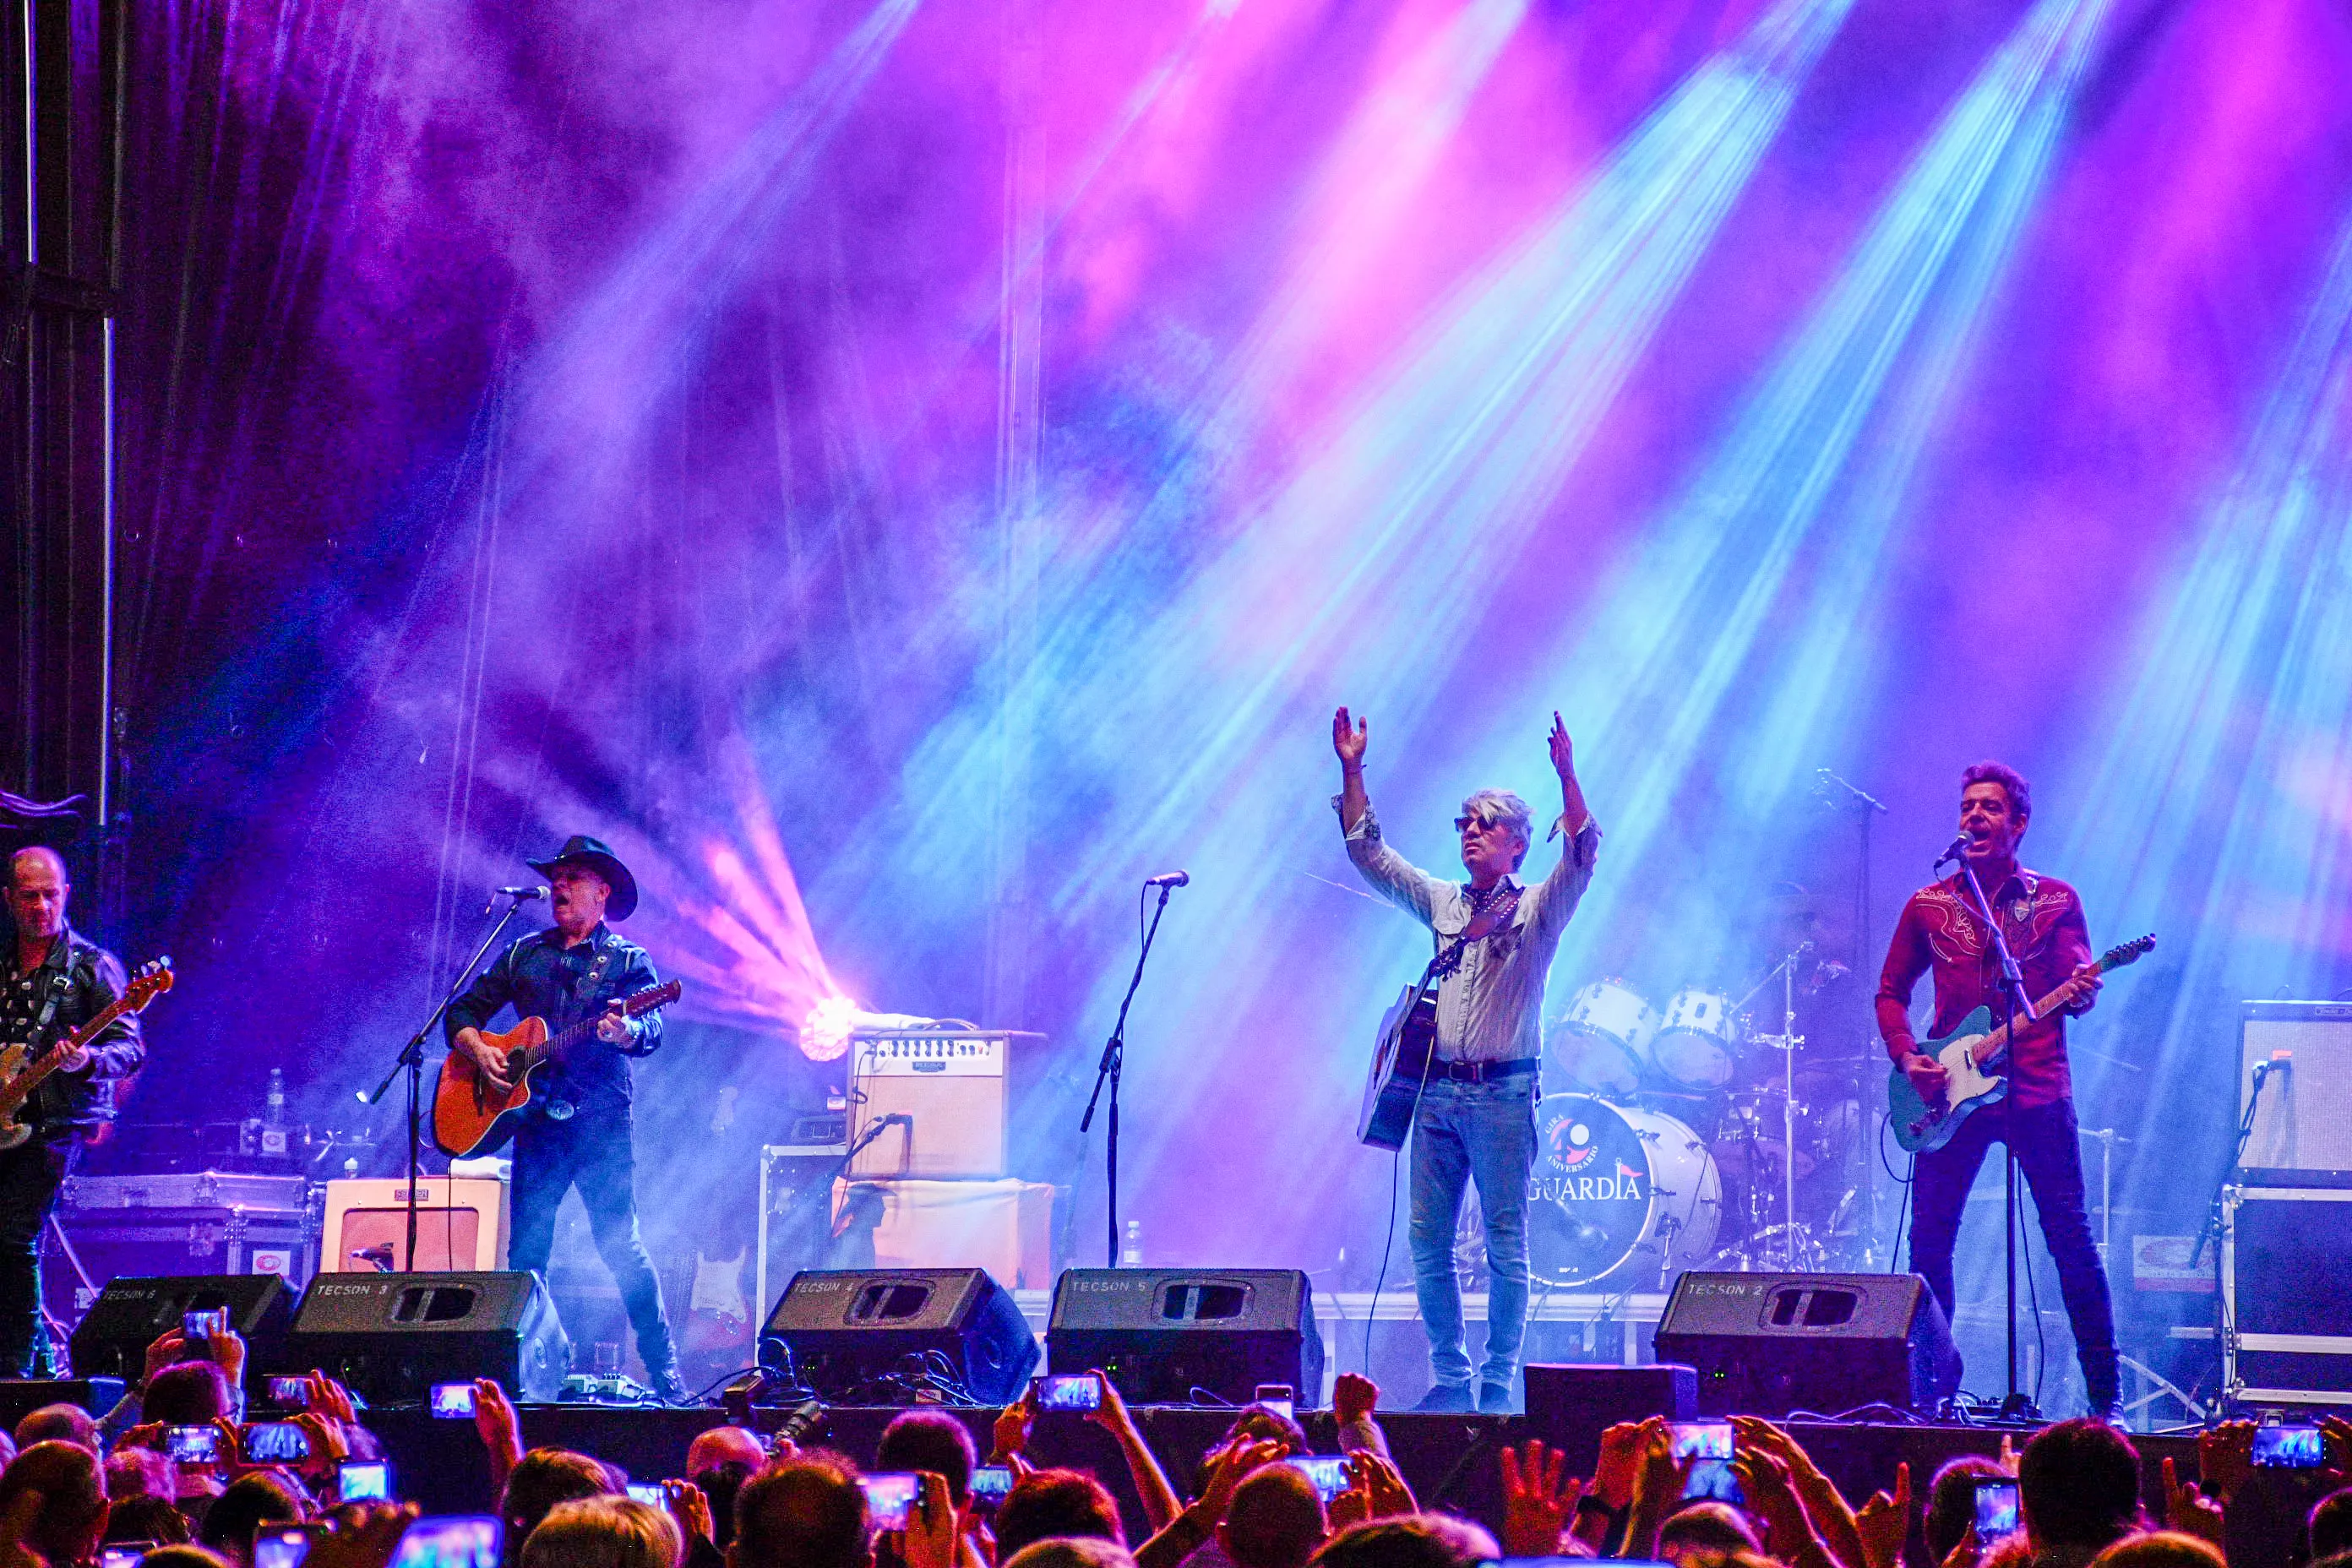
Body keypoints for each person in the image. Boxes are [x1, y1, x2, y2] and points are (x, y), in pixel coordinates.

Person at [1332, 707, 1599, 1413]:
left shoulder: (1540, 906)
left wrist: (1568, 774)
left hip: (1505, 1096)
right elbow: (1370, 855)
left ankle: (1497, 1382)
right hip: (1436, 1094)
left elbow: (1580, 853)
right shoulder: (1445, 903)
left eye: (1484, 823)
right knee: (1428, 1244)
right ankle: (1450, 1379)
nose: (1469, 832)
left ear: (1516, 843)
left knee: (1507, 1243)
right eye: (1463, 823)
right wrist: (1354, 768)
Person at [1877, 763, 2120, 1416]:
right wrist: (1907, 1057)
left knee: (2069, 1238)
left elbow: (2077, 977)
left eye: (1989, 807)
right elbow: (1891, 992)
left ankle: (2107, 1403)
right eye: (1966, 806)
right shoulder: (1928, 905)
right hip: (1947, 1094)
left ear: (2019, 823)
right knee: (1930, 1240)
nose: (1974, 816)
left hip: (2038, 1089)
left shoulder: (2056, 899)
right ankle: (1930, 1399)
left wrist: (2082, 991)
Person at [447, 835, 684, 1402]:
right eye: (556, 876)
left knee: (619, 1244)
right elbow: (462, 1010)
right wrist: (481, 1051)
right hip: (534, 1121)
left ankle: (665, 1370)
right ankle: (524, 1375)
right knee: (527, 1253)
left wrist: (626, 1029)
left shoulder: (628, 962)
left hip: (600, 1122)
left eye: (573, 877)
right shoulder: (525, 952)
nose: (559, 886)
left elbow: (651, 1030)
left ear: (602, 893)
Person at [0, 846, 146, 1374]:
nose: (41, 906)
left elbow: (132, 1050)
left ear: (66, 895)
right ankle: (38, 1362)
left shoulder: (91, 967)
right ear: (10, 899)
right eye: (29, 896)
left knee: (13, 1234)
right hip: (4, 1123)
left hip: (55, 1127)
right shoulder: (3, 967)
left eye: (50, 894)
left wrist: (85, 1060)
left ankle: (12, 1368)